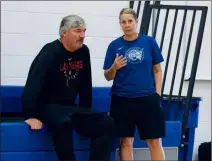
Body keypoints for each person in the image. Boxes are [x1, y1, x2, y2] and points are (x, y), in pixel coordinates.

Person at [22, 14, 115, 161]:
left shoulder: (84, 51)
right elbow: (33, 83)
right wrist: (30, 115)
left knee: (106, 123)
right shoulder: (49, 52)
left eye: (84, 31)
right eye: (78, 31)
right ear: (64, 32)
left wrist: (87, 112)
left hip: (69, 106)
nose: (82, 35)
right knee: (63, 123)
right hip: (47, 106)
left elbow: (86, 83)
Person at [103, 8, 166, 161]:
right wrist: (114, 67)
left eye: (130, 21)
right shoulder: (114, 45)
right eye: (123, 22)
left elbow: (157, 70)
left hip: (147, 99)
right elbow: (107, 76)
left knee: (154, 141)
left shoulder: (149, 42)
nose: (127, 25)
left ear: (136, 22)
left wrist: (157, 94)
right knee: (125, 141)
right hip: (122, 100)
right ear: (120, 24)